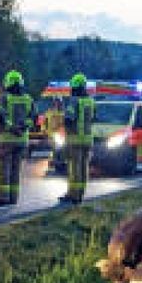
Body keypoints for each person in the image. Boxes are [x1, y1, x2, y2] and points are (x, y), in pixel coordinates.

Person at [0, 69, 34, 205]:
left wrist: (12, 128)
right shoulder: (28, 99)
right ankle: (13, 198)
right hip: (22, 141)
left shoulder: (5, 98)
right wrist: (23, 127)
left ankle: (3, 197)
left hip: (8, 140)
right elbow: (33, 117)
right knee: (16, 169)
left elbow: (1, 117)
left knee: (4, 169)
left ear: (8, 83)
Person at [59, 73, 94, 204]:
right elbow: (93, 118)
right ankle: (80, 194)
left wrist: (65, 123)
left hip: (75, 139)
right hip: (87, 139)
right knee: (84, 168)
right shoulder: (90, 101)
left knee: (74, 168)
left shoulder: (74, 101)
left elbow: (68, 119)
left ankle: (72, 194)